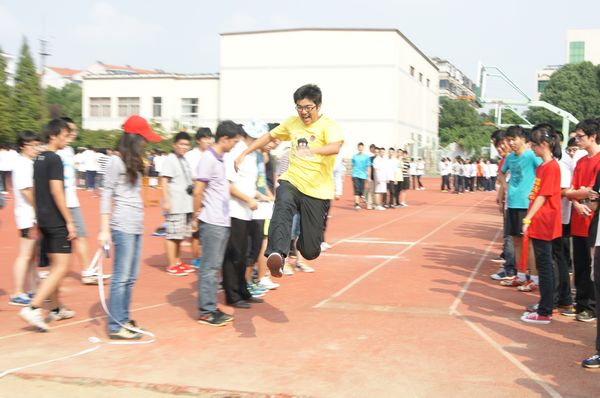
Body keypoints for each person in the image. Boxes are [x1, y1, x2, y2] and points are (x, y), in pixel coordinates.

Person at [234, 84, 343, 278]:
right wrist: (245, 151)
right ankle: (277, 253)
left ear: (318, 106)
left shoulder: (329, 125)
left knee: (311, 251)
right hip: (292, 181)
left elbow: (335, 147)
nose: (303, 112)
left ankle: (303, 244)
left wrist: (311, 151)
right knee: (282, 203)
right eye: (299, 107)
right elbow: (269, 135)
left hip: (317, 191)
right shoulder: (292, 123)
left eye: (308, 107)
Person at [98, 115, 162, 340]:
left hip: (135, 224)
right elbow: (106, 192)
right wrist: (104, 228)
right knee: (121, 276)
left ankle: (124, 318)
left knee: (131, 276)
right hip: (122, 224)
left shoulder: (134, 161)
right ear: (134, 138)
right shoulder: (116, 162)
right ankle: (116, 325)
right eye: (144, 139)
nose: (146, 143)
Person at [19, 119, 76, 332]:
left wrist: (37, 216)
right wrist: (69, 221)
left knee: (54, 266)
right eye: (64, 134)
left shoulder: (38, 158)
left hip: (43, 218)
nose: (66, 138)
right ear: (53, 135)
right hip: (55, 219)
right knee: (62, 267)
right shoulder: (54, 159)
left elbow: (36, 189)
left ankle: (56, 308)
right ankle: (33, 307)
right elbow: (56, 191)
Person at [193, 120, 241, 326]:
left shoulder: (219, 159)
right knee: (209, 268)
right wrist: (196, 216)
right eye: (234, 142)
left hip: (221, 220)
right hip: (211, 221)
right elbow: (198, 190)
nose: (235, 146)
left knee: (214, 267)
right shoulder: (208, 159)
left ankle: (211, 306)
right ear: (224, 139)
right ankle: (206, 311)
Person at [520, 124, 562, 324]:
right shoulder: (543, 166)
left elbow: (543, 196)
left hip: (544, 222)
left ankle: (545, 311)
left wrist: (528, 218)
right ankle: (546, 304)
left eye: (534, 146)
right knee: (544, 265)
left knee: (544, 267)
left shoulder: (552, 167)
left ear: (544, 144)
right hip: (540, 221)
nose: (533, 149)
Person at [563, 119, 600, 322]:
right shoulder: (580, 162)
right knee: (580, 265)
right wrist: (577, 202)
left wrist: (578, 194)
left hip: (593, 222)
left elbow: (592, 192)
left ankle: (591, 307)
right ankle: (581, 304)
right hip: (578, 220)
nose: (577, 140)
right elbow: (571, 191)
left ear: (593, 136)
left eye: (580, 137)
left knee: (593, 267)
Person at [498, 125, 542, 290]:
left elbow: (543, 170)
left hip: (527, 204)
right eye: (509, 140)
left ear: (523, 139)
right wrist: (505, 186)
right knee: (516, 241)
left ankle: (535, 278)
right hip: (513, 203)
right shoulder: (509, 158)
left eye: (513, 139)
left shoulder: (531, 156)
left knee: (529, 242)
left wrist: (535, 190)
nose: (511, 143)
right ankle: (521, 275)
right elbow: (501, 173)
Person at [56, 117, 97, 285]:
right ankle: (50, 271)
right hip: (61, 202)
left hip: (72, 201)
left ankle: (87, 271)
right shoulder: (55, 153)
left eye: (74, 131)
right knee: (59, 239)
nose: (73, 134)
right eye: (69, 131)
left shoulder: (69, 151)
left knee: (80, 236)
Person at [9, 131, 41, 306]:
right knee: (25, 254)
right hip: (27, 215)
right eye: (33, 146)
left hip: (30, 215)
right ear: (23, 146)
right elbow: (27, 190)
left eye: (38, 145)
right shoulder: (22, 164)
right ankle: (17, 292)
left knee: (31, 255)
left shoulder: (28, 163)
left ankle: (32, 289)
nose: (36, 149)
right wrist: (39, 210)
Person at [160, 132, 195, 276]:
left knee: (180, 235)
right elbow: (164, 180)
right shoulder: (170, 159)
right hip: (175, 203)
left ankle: (178, 261)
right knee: (172, 235)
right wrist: (166, 200)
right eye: (181, 144)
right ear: (174, 145)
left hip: (185, 203)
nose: (184, 147)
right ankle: (171, 264)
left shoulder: (184, 160)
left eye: (186, 144)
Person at [185, 127, 214, 266]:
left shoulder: (213, 154)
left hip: (209, 195)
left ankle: (206, 255)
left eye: (210, 138)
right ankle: (196, 258)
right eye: (205, 138)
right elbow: (191, 177)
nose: (208, 141)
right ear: (198, 140)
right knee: (196, 227)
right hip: (195, 194)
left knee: (208, 227)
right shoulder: (191, 155)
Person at [351, 142, 371, 210]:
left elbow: (368, 166)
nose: (360, 148)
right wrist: (352, 173)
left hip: (363, 175)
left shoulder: (366, 157)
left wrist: (368, 176)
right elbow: (353, 165)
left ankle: (362, 195)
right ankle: (357, 204)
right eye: (359, 147)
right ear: (357, 148)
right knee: (356, 189)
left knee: (361, 190)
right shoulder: (354, 156)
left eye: (361, 147)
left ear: (363, 148)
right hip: (355, 174)